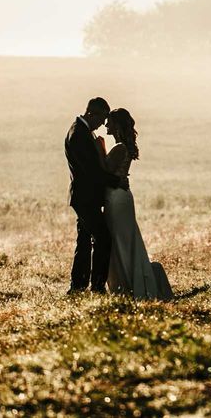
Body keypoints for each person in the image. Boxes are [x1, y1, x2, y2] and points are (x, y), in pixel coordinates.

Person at [103, 108, 173, 300]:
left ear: (116, 125)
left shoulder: (119, 148)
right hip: (121, 197)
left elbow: (104, 172)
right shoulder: (123, 147)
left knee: (120, 241)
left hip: (116, 198)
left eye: (109, 122)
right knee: (124, 239)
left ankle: (127, 285)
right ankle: (130, 283)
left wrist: (97, 150)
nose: (106, 125)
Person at [65, 97, 124, 294]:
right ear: (91, 113)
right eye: (102, 118)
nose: (102, 124)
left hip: (85, 197)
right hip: (85, 198)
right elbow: (91, 171)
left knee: (84, 240)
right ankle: (97, 286)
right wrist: (116, 181)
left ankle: (78, 285)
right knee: (103, 238)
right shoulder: (79, 134)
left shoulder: (82, 131)